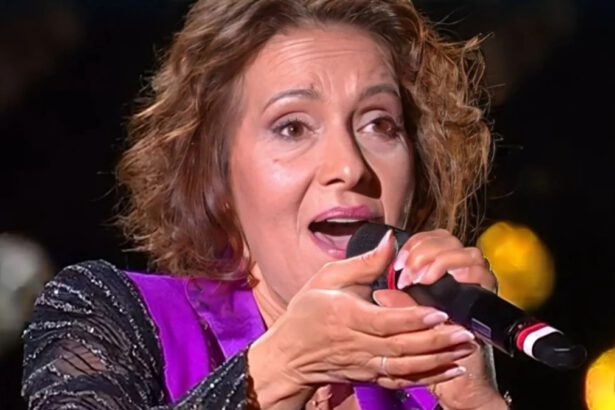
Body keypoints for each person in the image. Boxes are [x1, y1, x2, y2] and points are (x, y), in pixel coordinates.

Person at [21, 0, 510, 408]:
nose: (350, 167)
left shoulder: (427, 390)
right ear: (216, 176)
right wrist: (282, 371)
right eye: (292, 127)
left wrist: (476, 402)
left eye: (379, 124)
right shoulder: (111, 316)